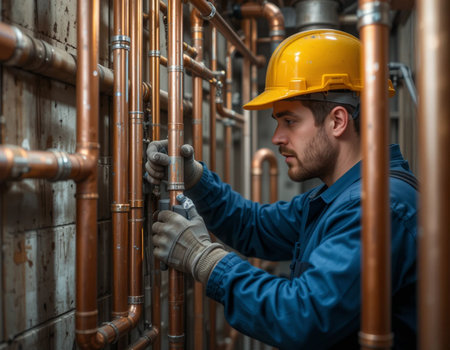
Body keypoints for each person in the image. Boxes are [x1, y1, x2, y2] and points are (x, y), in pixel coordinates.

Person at [145, 29, 417, 349]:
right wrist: (194, 178)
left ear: (337, 121)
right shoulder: (339, 198)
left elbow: (303, 316)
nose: (276, 138)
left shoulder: (376, 209)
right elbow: (254, 226)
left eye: (289, 121)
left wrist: (202, 258)